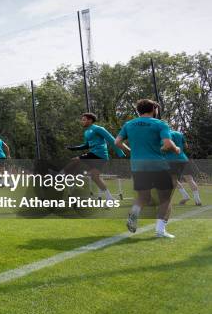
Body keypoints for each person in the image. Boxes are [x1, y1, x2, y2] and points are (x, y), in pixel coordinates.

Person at [115, 99, 180, 238]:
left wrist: (131, 151)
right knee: (165, 198)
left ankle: (134, 213)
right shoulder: (159, 124)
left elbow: (117, 142)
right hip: (157, 165)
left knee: (143, 197)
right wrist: (176, 148)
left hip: (137, 165)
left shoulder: (129, 124)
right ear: (154, 109)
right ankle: (160, 231)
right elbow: (168, 144)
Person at [64, 113, 126, 200]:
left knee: (76, 160)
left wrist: (120, 153)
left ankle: (60, 175)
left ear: (90, 120)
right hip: (95, 155)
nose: (82, 121)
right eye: (82, 120)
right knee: (95, 177)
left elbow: (111, 140)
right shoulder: (86, 132)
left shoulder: (98, 129)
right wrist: (74, 148)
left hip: (99, 154)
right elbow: (86, 145)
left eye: (84, 120)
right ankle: (110, 198)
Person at [166, 128, 202, 206]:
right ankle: (197, 200)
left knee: (173, 179)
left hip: (172, 160)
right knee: (190, 179)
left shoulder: (165, 135)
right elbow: (186, 146)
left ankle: (185, 196)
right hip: (183, 159)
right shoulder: (179, 134)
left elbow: (166, 147)